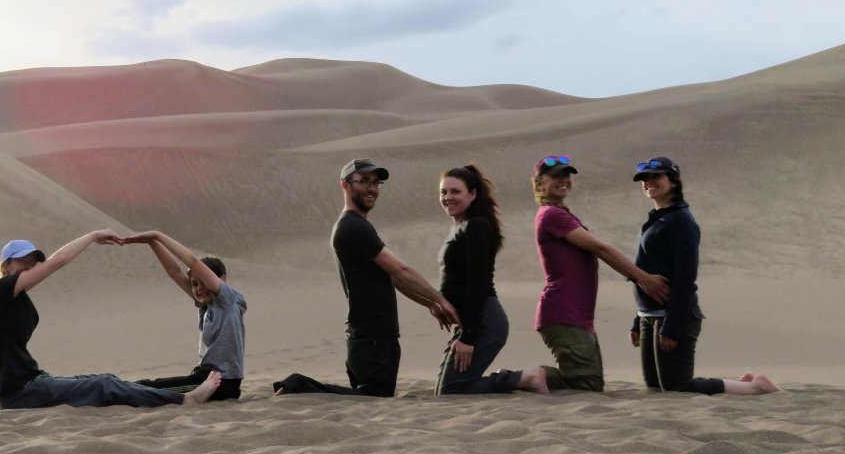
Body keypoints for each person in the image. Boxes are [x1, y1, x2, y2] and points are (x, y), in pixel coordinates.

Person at [274, 158, 461, 397]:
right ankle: (297, 386)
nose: (372, 188)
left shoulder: (357, 225)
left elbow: (394, 277)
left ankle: (297, 388)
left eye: (376, 183)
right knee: (373, 397)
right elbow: (401, 270)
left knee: (372, 396)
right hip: (372, 337)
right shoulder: (353, 227)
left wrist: (430, 303)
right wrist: (442, 300)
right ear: (345, 185)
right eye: (364, 181)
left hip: (371, 336)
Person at [0, 233, 223, 409]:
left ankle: (159, 396)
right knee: (103, 385)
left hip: (31, 382)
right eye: (22, 261)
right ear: (5, 265)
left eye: (33, 261)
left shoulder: (10, 297)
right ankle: (185, 398)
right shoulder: (1, 290)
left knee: (105, 379)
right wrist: (93, 236)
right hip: (21, 392)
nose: (30, 266)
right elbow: (58, 261)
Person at [628, 157, 780, 395]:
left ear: (673, 181)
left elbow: (685, 278)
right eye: (644, 179)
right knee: (656, 387)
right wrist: (638, 319)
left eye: (655, 177)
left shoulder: (681, 221)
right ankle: (743, 383)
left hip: (672, 315)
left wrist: (673, 327)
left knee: (677, 387)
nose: (648, 182)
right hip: (649, 315)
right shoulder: (657, 219)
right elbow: (646, 270)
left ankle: (754, 386)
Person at [531, 155, 669, 392]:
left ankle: (529, 378)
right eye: (555, 176)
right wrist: (643, 278)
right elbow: (600, 248)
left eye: (566, 175)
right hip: (563, 311)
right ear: (540, 182)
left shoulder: (561, 214)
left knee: (590, 382)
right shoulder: (551, 215)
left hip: (576, 314)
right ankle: (523, 377)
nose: (563, 180)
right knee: (586, 384)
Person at [433, 165, 548, 395]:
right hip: (471, 321)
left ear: (473, 194)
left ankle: (524, 378)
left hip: (484, 321)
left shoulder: (476, 227)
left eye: (455, 191)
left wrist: (468, 337)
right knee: (444, 390)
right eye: (444, 192)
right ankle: (512, 377)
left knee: (451, 391)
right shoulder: (462, 226)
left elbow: (477, 284)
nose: (448, 198)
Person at [125, 230, 246, 401]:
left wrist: (157, 235)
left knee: (148, 389)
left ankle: (114, 393)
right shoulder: (208, 304)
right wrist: (152, 242)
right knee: (148, 386)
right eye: (194, 284)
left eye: (203, 281)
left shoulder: (227, 300)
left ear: (223, 279)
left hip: (220, 384)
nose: (199, 288)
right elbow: (175, 272)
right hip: (206, 378)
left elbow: (193, 262)